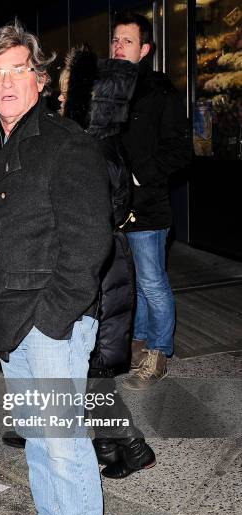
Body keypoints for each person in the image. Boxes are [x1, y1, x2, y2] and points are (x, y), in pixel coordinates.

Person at [0, 21, 111, 515]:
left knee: (62, 437)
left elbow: (88, 243)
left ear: (40, 78)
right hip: (10, 317)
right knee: (34, 432)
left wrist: (53, 319)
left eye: (17, 70)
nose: (6, 82)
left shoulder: (65, 142)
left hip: (50, 319)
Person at [59, 46, 156, 478]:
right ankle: (114, 451)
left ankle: (131, 445)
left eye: (65, 95)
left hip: (96, 273)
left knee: (88, 370)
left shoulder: (88, 151)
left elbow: (87, 220)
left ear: (86, 102)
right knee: (93, 371)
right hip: (107, 266)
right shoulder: (104, 145)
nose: (59, 102)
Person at [111, 13, 191, 390]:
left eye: (126, 41)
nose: (117, 46)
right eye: (114, 40)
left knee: (153, 283)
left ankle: (158, 354)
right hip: (114, 207)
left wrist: (140, 176)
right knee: (131, 284)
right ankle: (139, 345)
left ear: (145, 49)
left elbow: (180, 150)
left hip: (148, 206)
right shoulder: (106, 91)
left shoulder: (161, 93)